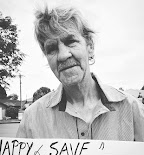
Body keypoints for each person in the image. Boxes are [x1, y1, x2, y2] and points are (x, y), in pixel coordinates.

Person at [16, 4, 144, 141]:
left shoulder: (132, 109)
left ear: (90, 46)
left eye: (71, 41)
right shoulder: (32, 118)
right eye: (52, 48)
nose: (63, 55)